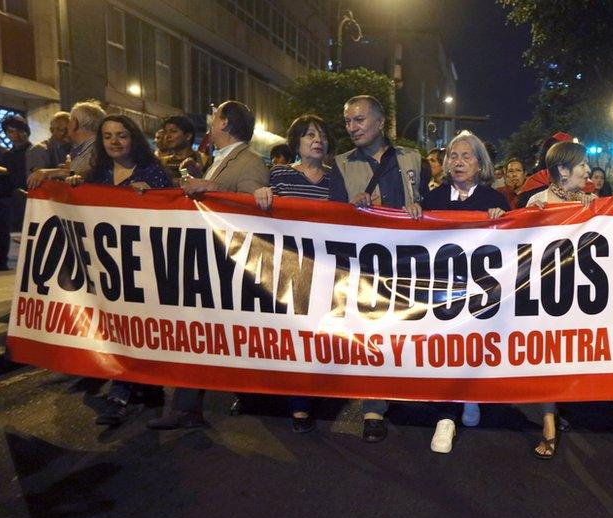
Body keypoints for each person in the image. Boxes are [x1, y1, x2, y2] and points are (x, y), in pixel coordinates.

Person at [148, 100, 269, 431]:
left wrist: (211, 187)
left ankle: (242, 396)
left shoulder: (249, 161)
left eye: (214, 119)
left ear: (226, 123)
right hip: (207, 261)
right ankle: (188, 407)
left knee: (205, 336)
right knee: (197, 336)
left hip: (224, 265)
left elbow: (252, 208)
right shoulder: (220, 160)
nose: (210, 124)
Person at [63, 114, 172, 424]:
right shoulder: (96, 174)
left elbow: (169, 215)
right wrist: (73, 184)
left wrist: (150, 194)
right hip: (106, 268)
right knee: (114, 328)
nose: (114, 141)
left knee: (136, 327)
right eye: (108, 136)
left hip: (142, 267)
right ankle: (129, 384)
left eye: (121, 135)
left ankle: (126, 389)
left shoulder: (152, 173)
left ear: (133, 139)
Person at [331, 95, 428, 443]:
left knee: (405, 330)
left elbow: (430, 204)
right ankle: (373, 407)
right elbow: (330, 218)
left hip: (408, 264)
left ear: (379, 122)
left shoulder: (412, 158)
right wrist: (349, 208)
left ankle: (407, 388)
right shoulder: (340, 164)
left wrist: (419, 205)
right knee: (372, 332)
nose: (352, 128)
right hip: (364, 268)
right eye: (347, 122)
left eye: (358, 120)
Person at [252, 115, 347, 432]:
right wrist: (261, 195)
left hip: (327, 268)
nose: (317, 141)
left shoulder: (337, 179)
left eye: (321, 136)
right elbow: (265, 215)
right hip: (290, 268)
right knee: (296, 334)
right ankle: (299, 402)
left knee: (321, 332)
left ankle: (318, 388)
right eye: (309, 135)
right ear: (296, 143)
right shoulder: (279, 175)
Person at [419, 131, 507, 453]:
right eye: (453, 157)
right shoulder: (432, 200)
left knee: (474, 346)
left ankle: (470, 394)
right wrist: (414, 216)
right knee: (446, 349)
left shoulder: (495, 202)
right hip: (443, 292)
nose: (458, 162)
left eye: (466, 156)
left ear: (480, 163)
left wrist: (503, 220)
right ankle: (445, 417)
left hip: (482, 293)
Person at [526, 141, 597, 459]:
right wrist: (530, 218)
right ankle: (549, 423)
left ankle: (559, 406)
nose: (587, 169)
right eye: (581, 164)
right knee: (546, 355)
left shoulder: (591, 201)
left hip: (580, 293)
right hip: (546, 294)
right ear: (563, 170)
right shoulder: (537, 201)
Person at [179, 100, 269, 196]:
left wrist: (212, 187)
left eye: (215, 116)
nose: (211, 123)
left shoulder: (252, 162)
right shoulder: (221, 158)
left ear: (224, 123)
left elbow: (250, 205)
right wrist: (196, 180)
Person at [27, 100, 107, 189]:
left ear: (75, 124)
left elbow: (88, 176)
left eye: (69, 121)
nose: (67, 126)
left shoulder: (96, 151)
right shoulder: (84, 149)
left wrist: (56, 172)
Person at [0, 114, 30, 271]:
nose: (15, 135)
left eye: (18, 130)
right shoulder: (8, 155)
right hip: (14, 198)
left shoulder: (35, 150)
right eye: (10, 132)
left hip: (32, 197)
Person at [157, 115, 205, 182]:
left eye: (173, 131)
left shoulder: (204, 160)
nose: (168, 136)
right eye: (165, 132)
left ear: (188, 136)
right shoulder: (162, 163)